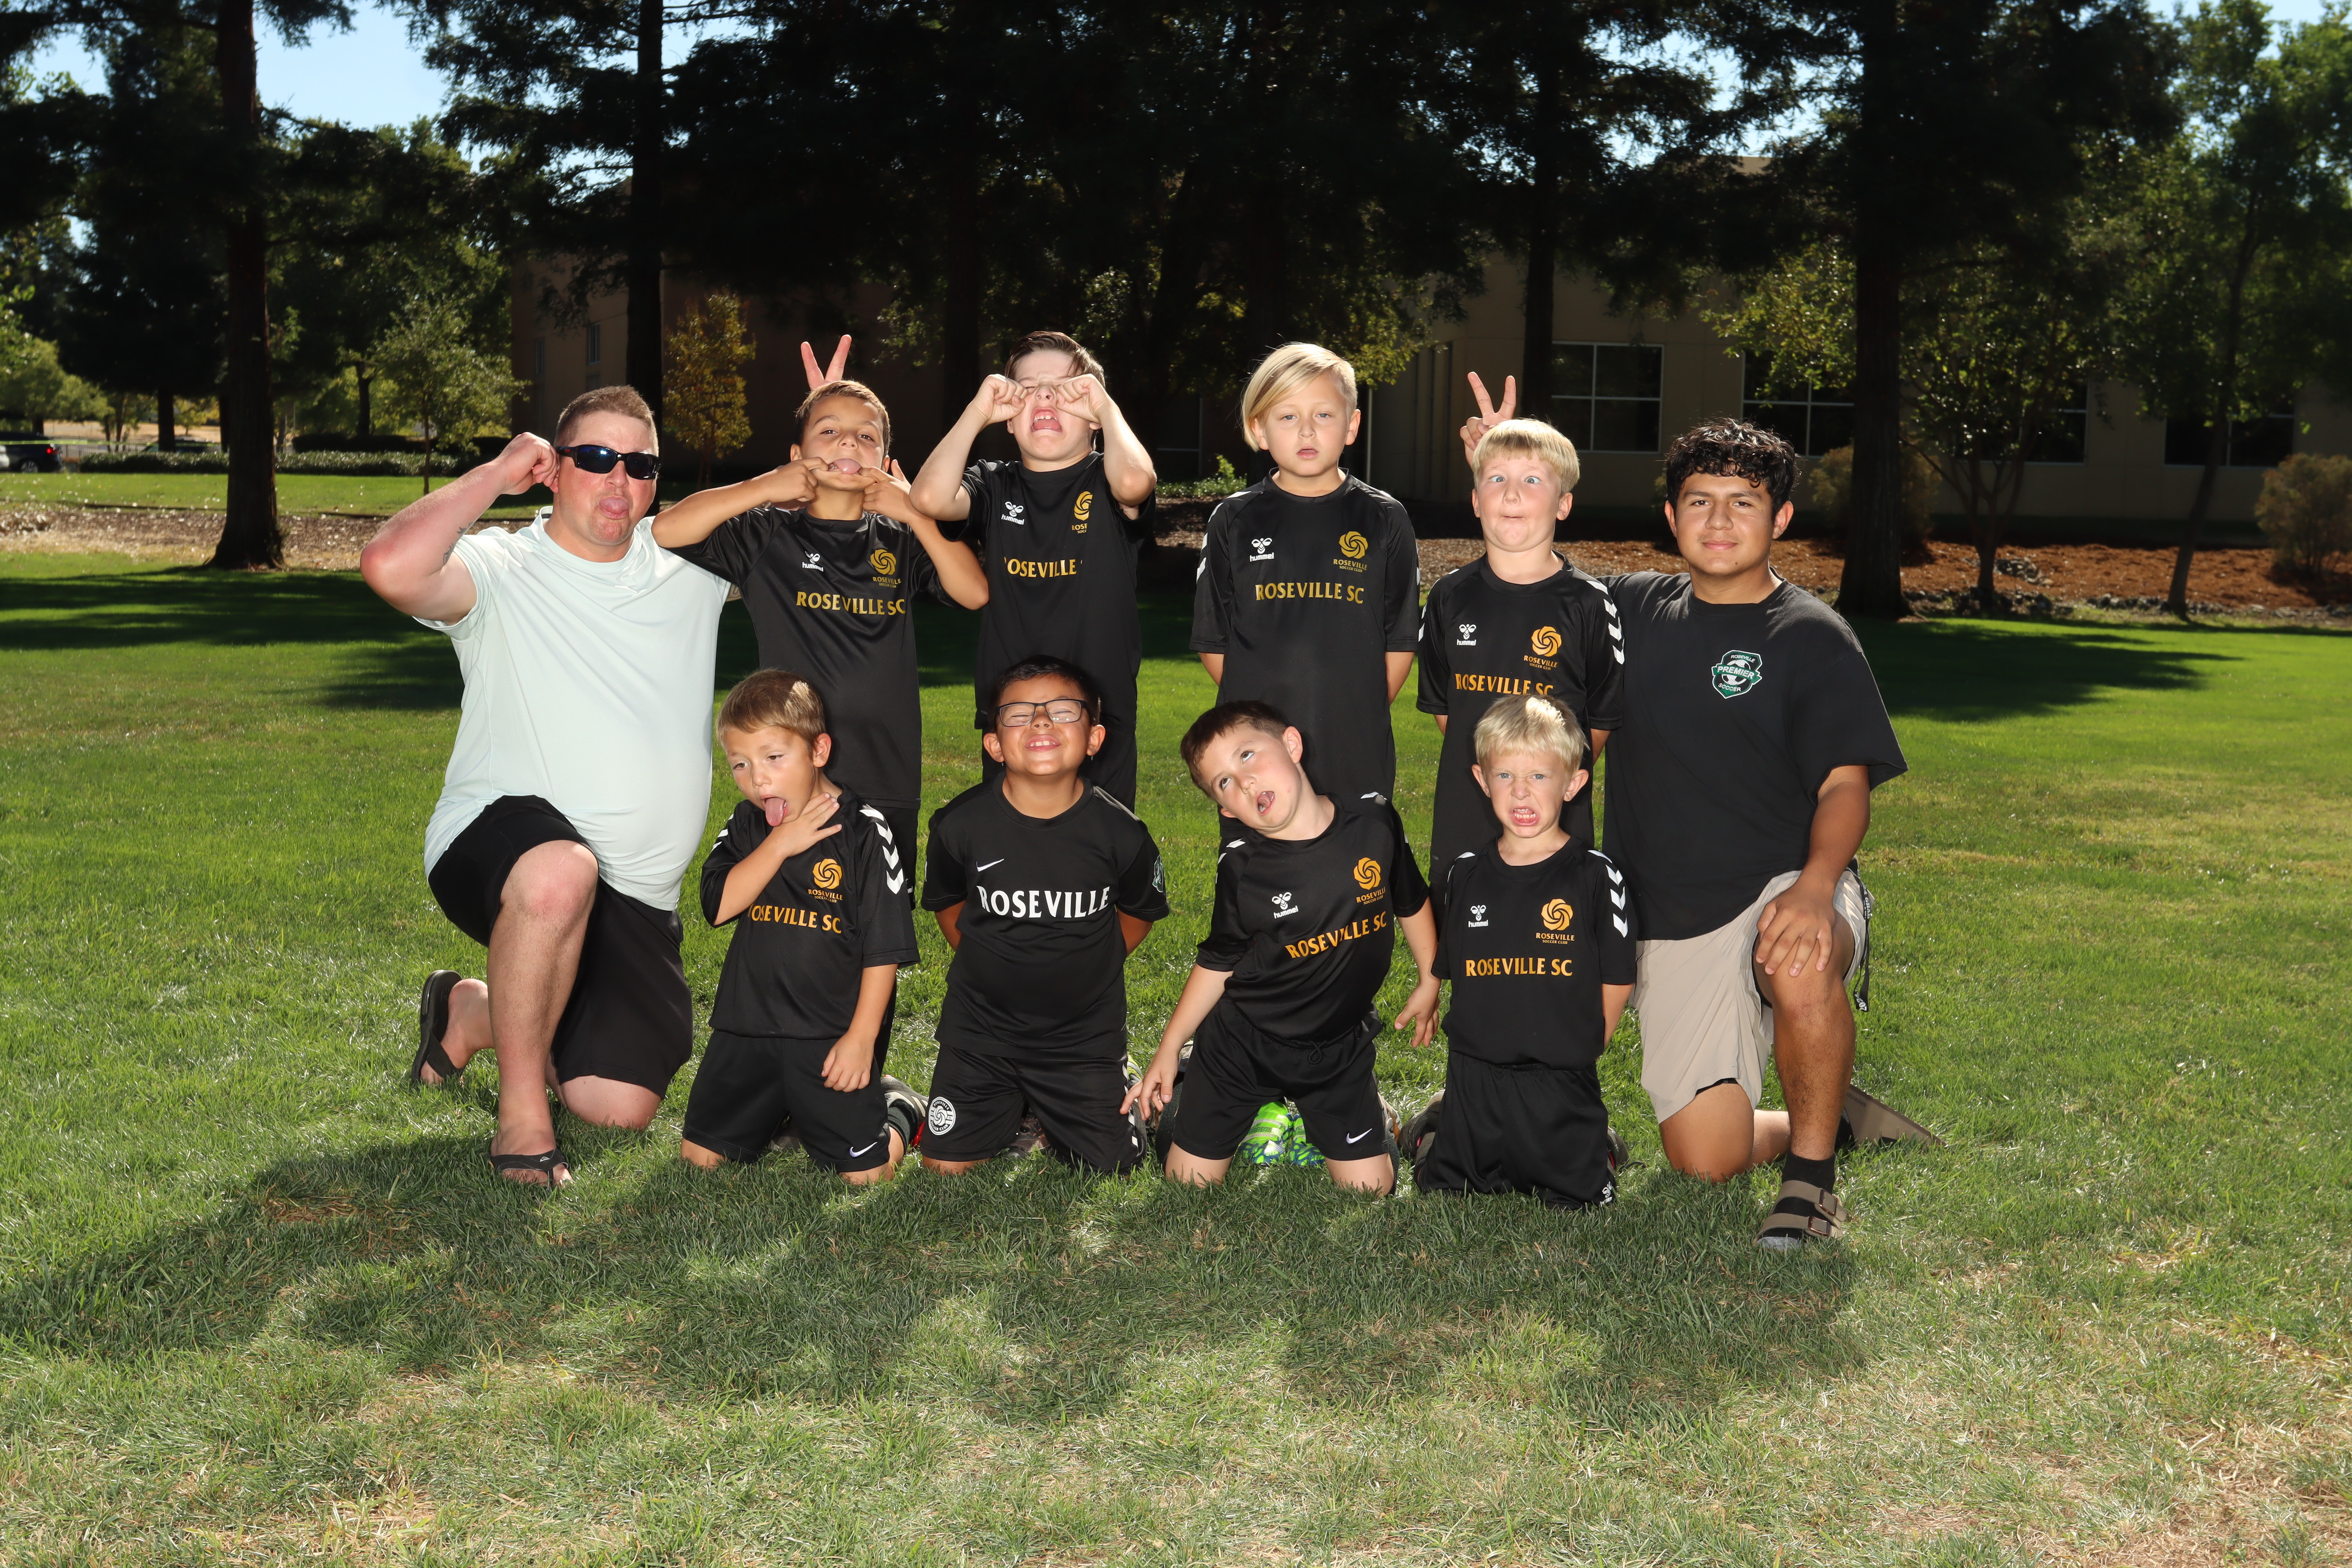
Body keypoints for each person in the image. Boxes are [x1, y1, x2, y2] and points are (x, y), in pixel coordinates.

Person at [362, 386, 730, 1186]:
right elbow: (389, 567)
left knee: (615, 1107)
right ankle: (522, 1122)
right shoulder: (502, 567)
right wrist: (495, 475)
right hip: (502, 841)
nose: (619, 479)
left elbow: (813, 534)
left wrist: (839, 441)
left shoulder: (690, 565)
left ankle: (470, 1011)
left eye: (639, 465)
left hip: (636, 901)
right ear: (554, 470)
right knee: (562, 871)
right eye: (596, 458)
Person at [1601, 419, 1908, 1249]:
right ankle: (1831, 1114)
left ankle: (1810, 1186)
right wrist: (1504, 462)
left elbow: (1845, 784)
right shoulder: (1629, 612)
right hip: (1673, 914)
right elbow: (1526, 570)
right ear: (1672, 517)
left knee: (1799, 956)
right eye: (1699, 501)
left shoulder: (1810, 636)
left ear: (1781, 519)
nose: (1719, 520)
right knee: (1706, 1163)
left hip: (1786, 877)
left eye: (1744, 502)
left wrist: (1817, 887)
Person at [651, 376, 988, 863]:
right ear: (797, 454)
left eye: (867, 436)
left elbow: (974, 593)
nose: (849, 442)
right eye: (829, 431)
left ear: (885, 463)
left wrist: (917, 515)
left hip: (887, 772)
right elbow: (668, 529)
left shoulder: (902, 540)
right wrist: (766, 486)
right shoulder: (767, 534)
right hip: (794, 775)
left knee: (881, 906)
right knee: (800, 905)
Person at [1129, 700, 1440, 1194]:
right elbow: (1220, 958)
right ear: (1226, 809)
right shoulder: (1243, 867)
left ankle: (1361, 1114)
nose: (1244, 781)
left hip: (1335, 1045)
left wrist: (1429, 977)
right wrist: (1167, 1048)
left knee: (1371, 1188)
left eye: (1247, 755)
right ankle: (1198, 1087)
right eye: (1224, 782)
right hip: (1243, 1043)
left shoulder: (1374, 821)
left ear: (1292, 744)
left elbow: (1410, 896)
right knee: (1189, 1183)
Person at [918, 655, 1170, 1175]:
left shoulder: (1122, 834)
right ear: (994, 744)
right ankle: (940, 1104)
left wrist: (1092, 961)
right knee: (946, 1168)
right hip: (981, 1031)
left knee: (1111, 1167)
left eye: (1061, 710)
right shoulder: (959, 825)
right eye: (1018, 713)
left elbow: (1139, 912)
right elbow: (947, 902)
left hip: (1081, 1036)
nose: (1040, 721)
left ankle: (1117, 1087)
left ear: (1094, 738)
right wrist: (987, 955)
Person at [678, 669, 927, 1184]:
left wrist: (861, 1038)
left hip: (829, 1036)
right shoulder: (748, 825)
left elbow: (884, 949)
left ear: (818, 750)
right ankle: (781, 1109)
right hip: (746, 1029)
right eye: (740, 764)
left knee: (865, 1176)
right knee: (701, 1160)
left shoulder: (865, 831)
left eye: (774, 757)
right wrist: (780, 844)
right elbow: (718, 906)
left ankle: (900, 1108)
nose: (758, 780)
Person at [1406, 693, 1636, 1209]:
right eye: (1505, 775)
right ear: (1482, 779)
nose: (1521, 791)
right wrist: (1430, 987)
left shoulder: (1596, 876)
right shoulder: (1465, 873)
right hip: (1475, 1076)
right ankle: (1432, 1131)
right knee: (1445, 1186)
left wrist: (1584, 1044)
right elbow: (1455, 960)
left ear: (1573, 783)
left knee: (1580, 1198)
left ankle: (1598, 1145)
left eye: (1539, 775)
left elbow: (1619, 976)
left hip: (1560, 1079)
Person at [908, 331, 1156, 806]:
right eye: (1027, 389)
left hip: (1099, 719)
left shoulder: (1106, 480)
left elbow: (1134, 482)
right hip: (1013, 717)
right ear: (1008, 416)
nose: (1045, 396)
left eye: (1066, 389)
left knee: (1099, 843)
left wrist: (1106, 408)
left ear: (1094, 415)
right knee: (1010, 839)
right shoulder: (994, 483)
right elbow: (928, 498)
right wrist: (977, 410)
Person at [1190, 343, 1421, 808]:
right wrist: (1257, 720)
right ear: (1260, 429)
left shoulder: (1384, 518)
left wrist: (1359, 708)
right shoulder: (1234, 519)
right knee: (1266, 844)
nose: (1307, 430)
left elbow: (1400, 640)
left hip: (1355, 743)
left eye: (1324, 415)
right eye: (1288, 416)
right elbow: (1214, 642)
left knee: (1358, 847)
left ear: (1352, 425)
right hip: (1260, 745)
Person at [1418, 411, 1622, 875]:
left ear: (1563, 504)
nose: (1511, 494)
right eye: (1496, 479)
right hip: (1467, 813)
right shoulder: (1448, 596)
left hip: (1555, 823)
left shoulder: (1590, 603)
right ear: (1475, 501)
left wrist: (1544, 777)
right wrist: (1498, 774)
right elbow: (1448, 711)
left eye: (1532, 480)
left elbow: (1600, 719)